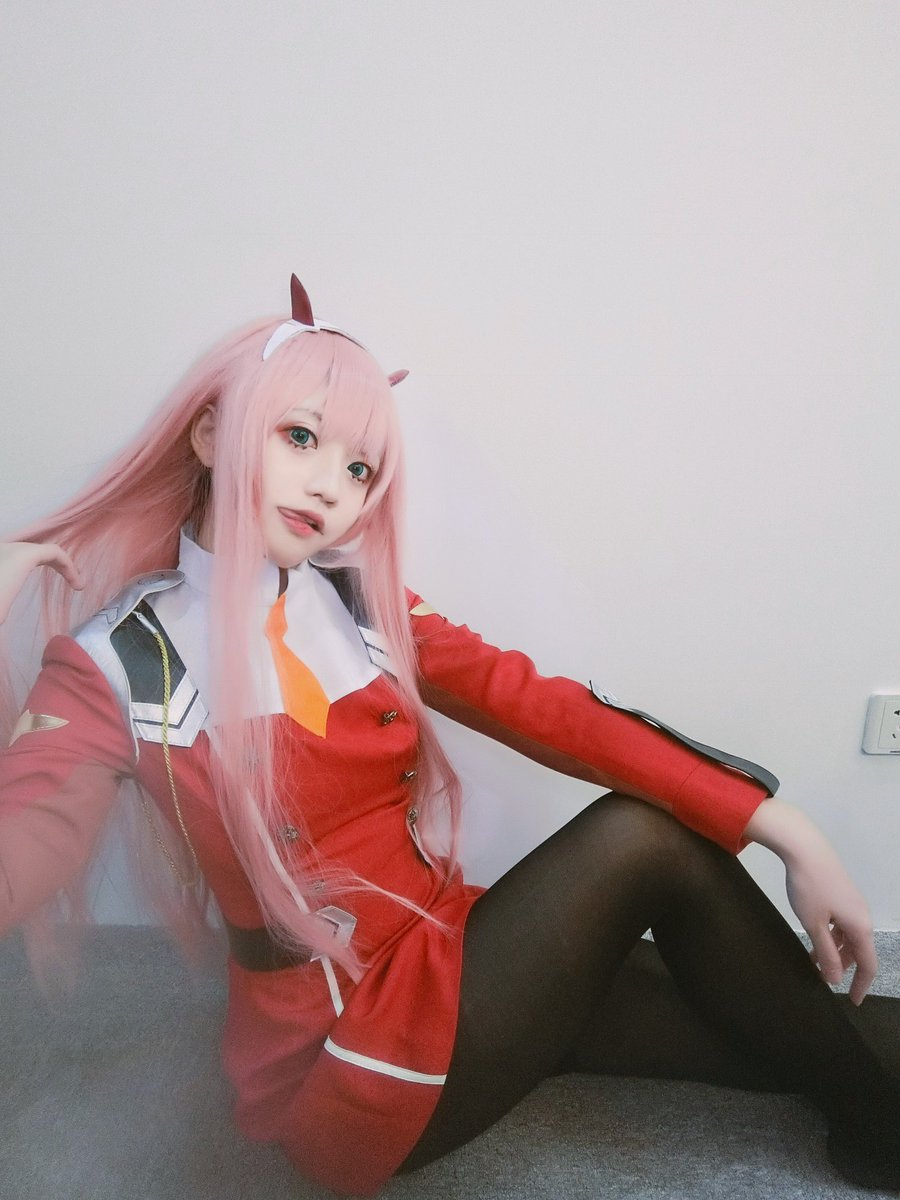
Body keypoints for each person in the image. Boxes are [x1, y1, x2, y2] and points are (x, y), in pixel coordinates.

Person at [0, 275, 897, 1196]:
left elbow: (542, 707)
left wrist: (780, 824)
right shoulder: (109, 666)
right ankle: (877, 1130)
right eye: (300, 437)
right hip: (340, 1049)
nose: (330, 487)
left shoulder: (360, 604)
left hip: (452, 954)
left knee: (806, 1025)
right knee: (643, 839)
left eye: (360, 469)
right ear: (208, 434)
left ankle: (867, 1098)